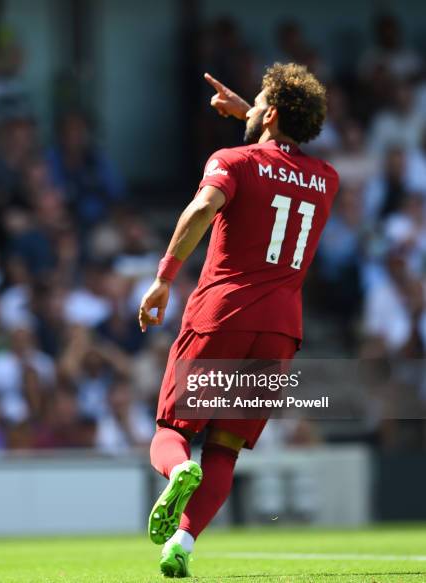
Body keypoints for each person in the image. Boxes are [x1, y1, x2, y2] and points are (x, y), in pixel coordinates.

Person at [138, 63, 338, 577]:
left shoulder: (232, 160)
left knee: (171, 429)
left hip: (222, 311)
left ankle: (178, 469)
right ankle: (182, 542)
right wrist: (252, 110)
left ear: (269, 112)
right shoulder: (326, 180)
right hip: (281, 329)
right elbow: (279, 156)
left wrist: (164, 276)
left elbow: (206, 207)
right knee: (224, 449)